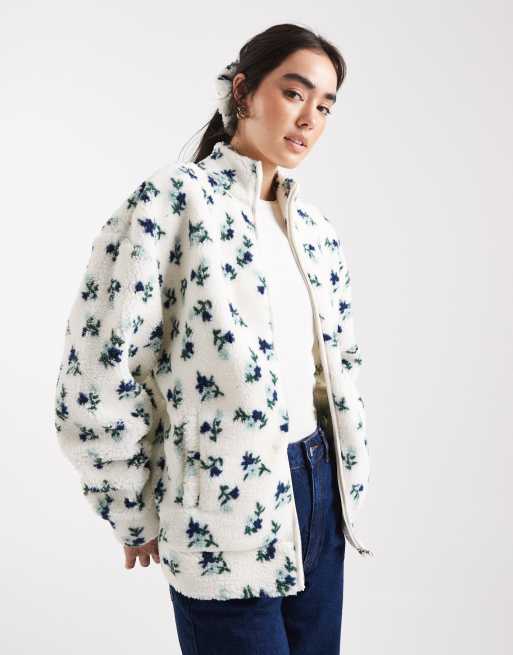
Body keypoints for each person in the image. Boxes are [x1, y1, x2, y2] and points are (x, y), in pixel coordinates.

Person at [54, 22, 373, 655]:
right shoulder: (170, 205)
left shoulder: (315, 231)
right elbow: (97, 370)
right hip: (222, 509)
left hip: (319, 494)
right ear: (243, 91)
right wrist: (129, 505)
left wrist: (344, 481)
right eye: (294, 93)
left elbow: (338, 369)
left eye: (325, 106)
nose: (309, 118)